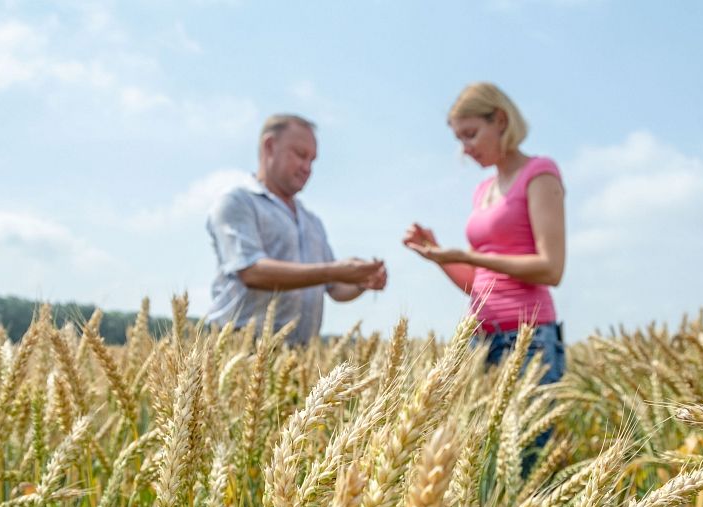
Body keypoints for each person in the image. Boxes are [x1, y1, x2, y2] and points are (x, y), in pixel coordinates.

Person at [403, 82, 565, 385]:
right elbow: (480, 283)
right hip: (478, 340)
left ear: (500, 120)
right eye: (459, 139)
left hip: (528, 341)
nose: (465, 148)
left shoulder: (539, 174)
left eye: (471, 134)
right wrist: (438, 254)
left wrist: (467, 255)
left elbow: (551, 268)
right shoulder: (482, 191)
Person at [203, 114, 387, 344]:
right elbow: (251, 271)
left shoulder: (312, 222)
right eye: (301, 155)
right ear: (270, 146)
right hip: (239, 349)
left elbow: (334, 288)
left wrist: (361, 282)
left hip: (298, 359)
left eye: (312, 160)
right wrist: (335, 270)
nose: (307, 168)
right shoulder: (238, 202)